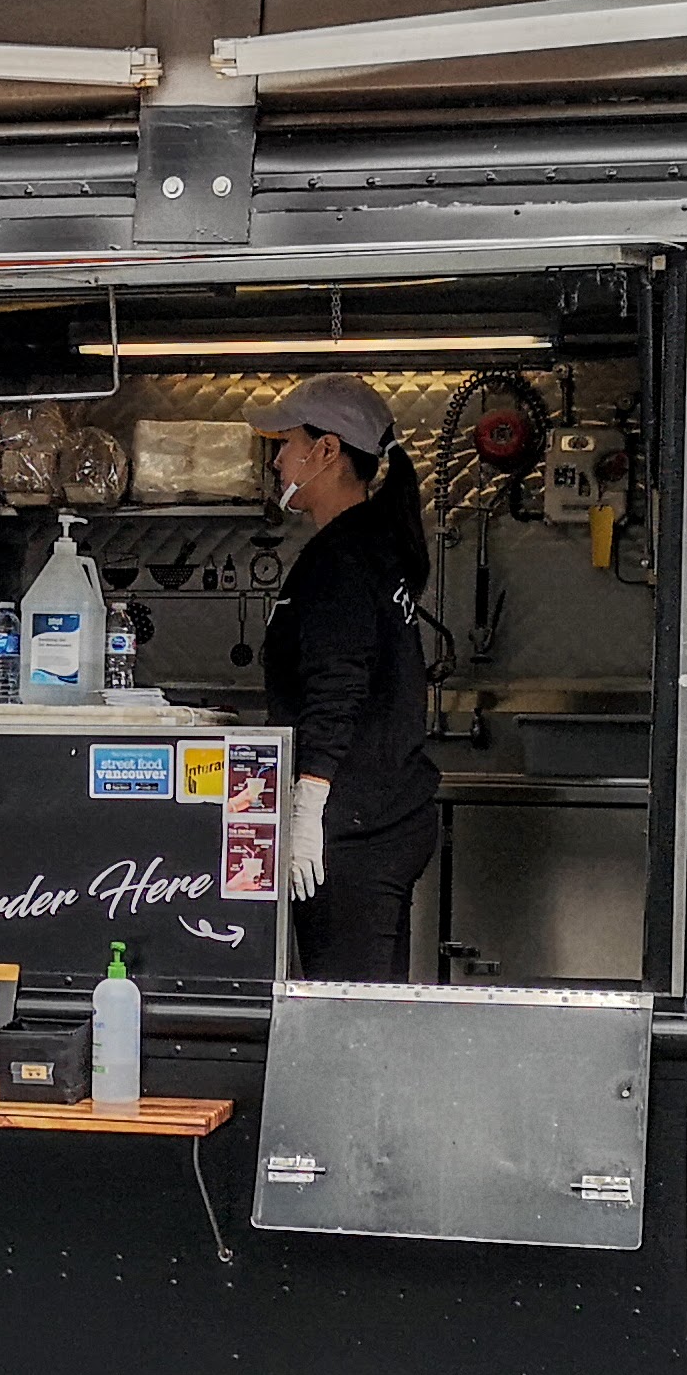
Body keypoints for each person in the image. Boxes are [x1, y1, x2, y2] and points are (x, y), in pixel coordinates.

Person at [249, 375, 439, 981]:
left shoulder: (343, 558)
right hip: (382, 816)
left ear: (326, 451)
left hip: (353, 831)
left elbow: (338, 690)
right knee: (370, 1006)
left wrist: (308, 813)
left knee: (349, 1018)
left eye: (287, 443)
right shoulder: (371, 544)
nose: (278, 459)